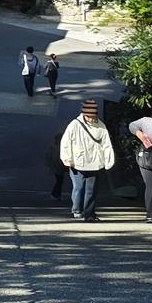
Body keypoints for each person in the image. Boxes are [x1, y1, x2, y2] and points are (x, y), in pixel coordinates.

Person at [56, 92, 114, 223]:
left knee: (91, 190)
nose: (91, 119)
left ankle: (89, 214)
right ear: (84, 114)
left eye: (93, 116)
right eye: (89, 116)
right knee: (79, 187)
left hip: (95, 162)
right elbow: (66, 142)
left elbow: (106, 144)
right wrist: (66, 158)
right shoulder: (75, 124)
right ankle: (77, 209)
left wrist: (108, 160)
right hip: (77, 162)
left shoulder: (101, 125)